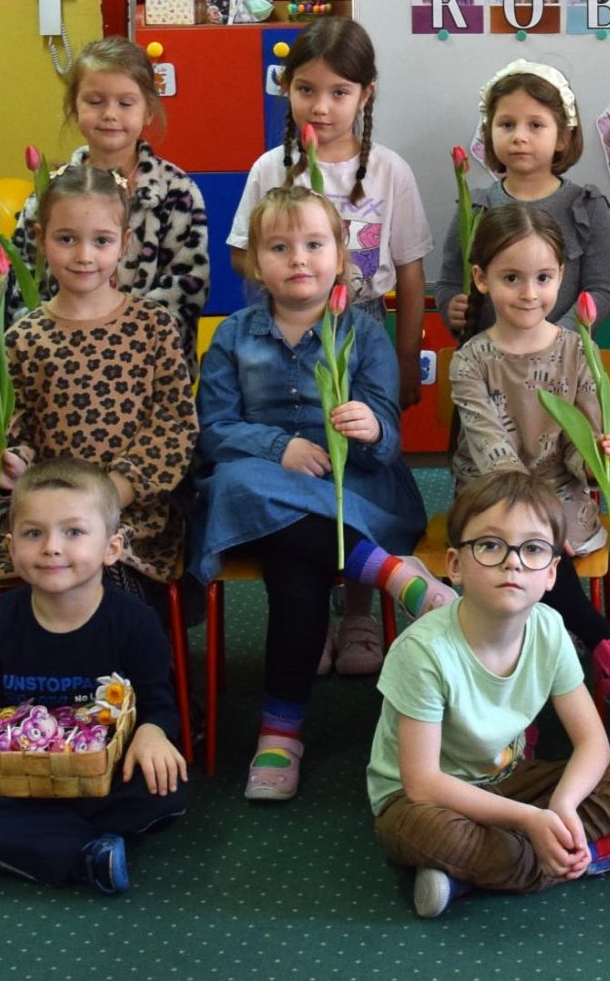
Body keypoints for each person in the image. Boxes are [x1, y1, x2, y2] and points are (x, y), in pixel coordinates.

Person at [193, 187, 435, 797]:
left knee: (293, 570)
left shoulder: (364, 332)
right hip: (262, 488)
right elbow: (214, 430)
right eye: (279, 248)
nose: (298, 258)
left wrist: (370, 425)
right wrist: (280, 448)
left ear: (340, 255)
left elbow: (388, 439)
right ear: (254, 261)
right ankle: (385, 571)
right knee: (237, 481)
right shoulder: (234, 335)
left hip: (353, 488)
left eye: (313, 244)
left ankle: (279, 731)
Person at [370, 470, 610, 919]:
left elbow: (593, 743)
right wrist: (531, 820)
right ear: (455, 565)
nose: (513, 562)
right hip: (423, 799)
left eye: (532, 549)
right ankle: (599, 853)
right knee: (424, 831)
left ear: (551, 573)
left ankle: (478, 874)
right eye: (490, 545)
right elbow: (423, 783)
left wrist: (562, 807)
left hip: (508, 779)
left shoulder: (549, 629)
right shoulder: (422, 651)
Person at [0, 457, 188, 895]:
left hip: (96, 777)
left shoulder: (135, 621)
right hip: (15, 777)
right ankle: (80, 852)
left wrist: (153, 732)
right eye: (33, 533)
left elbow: (160, 705)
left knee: (164, 789)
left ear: (112, 547)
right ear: (11, 548)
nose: (51, 547)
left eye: (74, 532)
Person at [448, 205, 610, 705]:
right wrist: (537, 522)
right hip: (490, 495)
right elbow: (493, 452)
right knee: (525, 546)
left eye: (543, 278)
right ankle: (602, 641)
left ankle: (528, 690)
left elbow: (578, 455)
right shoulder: (470, 360)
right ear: (481, 279)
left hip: (560, 491)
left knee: (532, 555)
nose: (529, 293)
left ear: (561, 276)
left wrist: (597, 456)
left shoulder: (578, 352)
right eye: (511, 278)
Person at [0, 165, 199, 607]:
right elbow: (4, 431)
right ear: (41, 240)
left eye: (101, 241)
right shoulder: (24, 338)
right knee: (44, 582)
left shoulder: (153, 326)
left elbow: (174, 427)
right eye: (66, 239)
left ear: (124, 244)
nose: (83, 255)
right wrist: (12, 465)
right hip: (49, 520)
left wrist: (110, 494)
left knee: (105, 583)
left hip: (131, 518)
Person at [223, 17, 429, 419]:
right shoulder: (270, 168)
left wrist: (407, 357)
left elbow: (410, 272)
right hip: (285, 320)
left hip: (365, 320)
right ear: (287, 87)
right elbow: (240, 253)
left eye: (339, 92)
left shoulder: (390, 172)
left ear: (365, 94)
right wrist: (292, 278)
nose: (320, 107)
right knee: (294, 423)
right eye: (306, 90)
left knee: (362, 429)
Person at [0, 37, 211, 333]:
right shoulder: (51, 191)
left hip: (147, 352)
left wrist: (113, 338)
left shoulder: (177, 192)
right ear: (74, 107)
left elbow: (187, 286)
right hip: (60, 350)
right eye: (95, 102)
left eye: (125, 103)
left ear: (148, 111)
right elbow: (22, 282)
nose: (110, 114)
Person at [434, 60, 610, 341]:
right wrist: (451, 305)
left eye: (535, 125)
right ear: (489, 132)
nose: (519, 137)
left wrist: (557, 337)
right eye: (507, 124)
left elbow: (601, 289)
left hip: (565, 354)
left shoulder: (586, 206)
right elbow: (449, 281)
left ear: (562, 137)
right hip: (488, 355)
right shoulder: (476, 208)